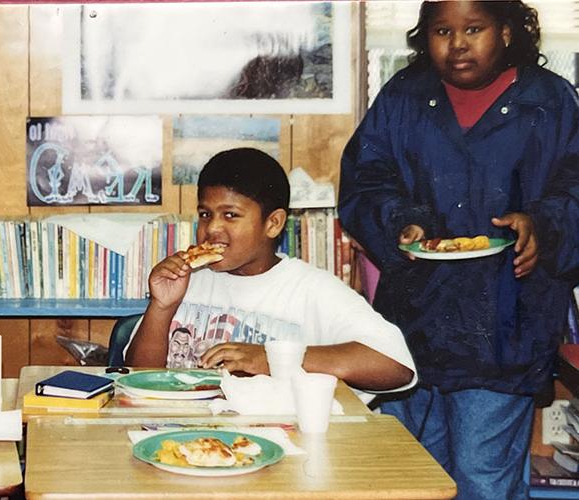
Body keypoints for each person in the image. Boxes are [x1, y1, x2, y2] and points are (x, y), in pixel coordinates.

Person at [338, 1, 579, 498]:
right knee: (413, 477)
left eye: (474, 29)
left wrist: (543, 225)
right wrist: (400, 222)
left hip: (506, 326)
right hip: (414, 322)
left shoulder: (551, 101)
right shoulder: (403, 96)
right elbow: (365, 180)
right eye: (442, 30)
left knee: (482, 477)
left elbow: (574, 184)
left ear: (508, 31)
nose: (458, 44)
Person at [126, 147, 416, 394]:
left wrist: (276, 358)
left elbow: (397, 366)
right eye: (205, 214)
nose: (212, 228)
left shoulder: (311, 289)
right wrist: (162, 307)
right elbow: (138, 377)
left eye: (231, 215)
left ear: (274, 223)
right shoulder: (189, 282)